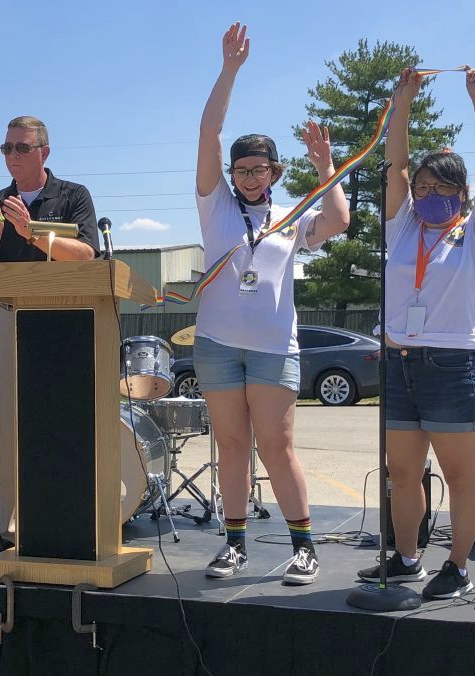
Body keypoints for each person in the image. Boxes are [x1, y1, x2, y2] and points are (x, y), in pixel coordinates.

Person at [195, 24, 350, 583]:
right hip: (216, 346)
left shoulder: (291, 215)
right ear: (231, 173)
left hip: (271, 347)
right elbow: (209, 130)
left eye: (261, 169)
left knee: (277, 447)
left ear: (275, 172)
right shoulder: (214, 205)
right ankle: (234, 542)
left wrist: (326, 167)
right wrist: (229, 71)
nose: (252, 177)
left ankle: (303, 546)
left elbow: (338, 220)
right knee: (232, 445)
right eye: (243, 169)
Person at [357, 66, 475, 600]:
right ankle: (406, 558)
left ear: (460, 192)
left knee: (461, 475)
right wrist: (402, 100)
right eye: (421, 186)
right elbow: (395, 161)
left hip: (451, 366)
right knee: (402, 472)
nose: (427, 193)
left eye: (440, 186)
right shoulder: (403, 226)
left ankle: (459, 565)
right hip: (398, 363)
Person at [0, 116, 99, 561]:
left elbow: (86, 256)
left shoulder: (73, 196)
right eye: (6, 149)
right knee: (8, 426)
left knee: (65, 422)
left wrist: (32, 233)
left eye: (20, 148)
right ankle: (5, 528)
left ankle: (70, 521)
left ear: (44, 151)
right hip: (9, 318)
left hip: (66, 322)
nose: (12, 157)